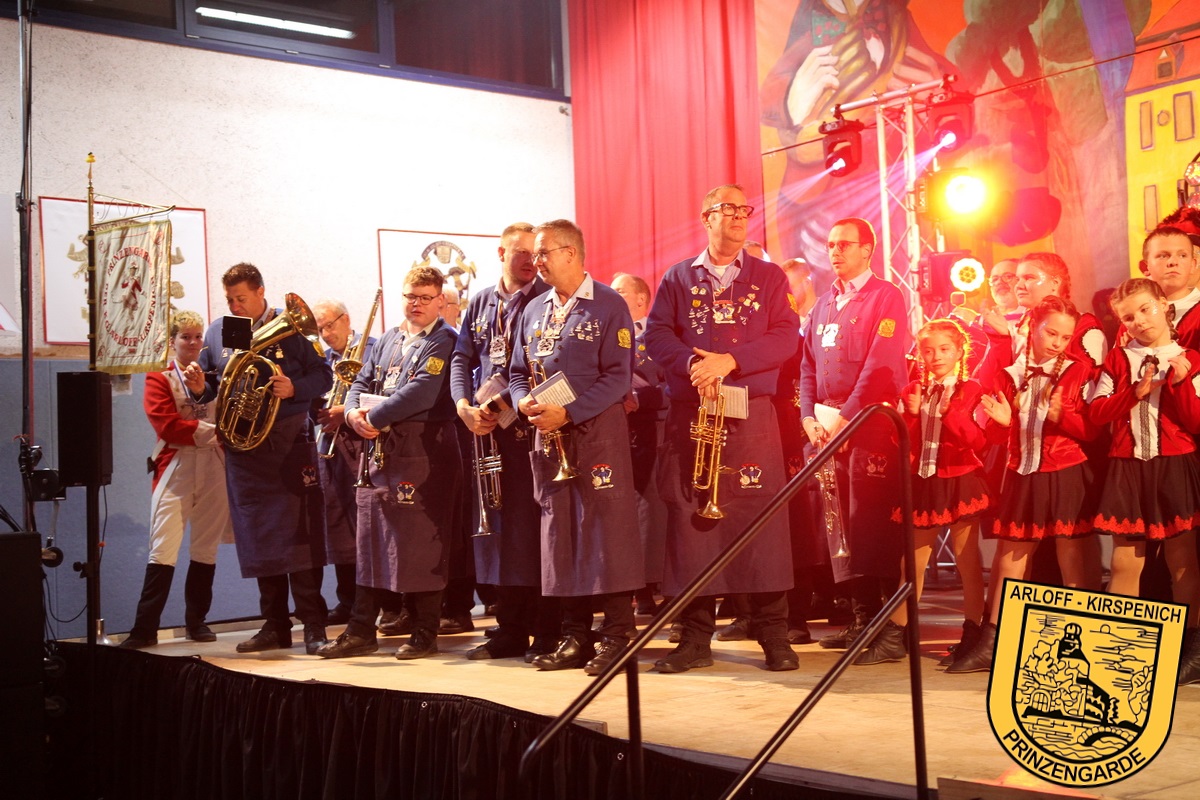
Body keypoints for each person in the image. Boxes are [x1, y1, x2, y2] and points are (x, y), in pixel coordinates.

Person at [645, 183, 799, 674]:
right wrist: (694, 364)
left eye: (743, 209)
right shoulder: (677, 277)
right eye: (726, 208)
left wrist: (730, 361)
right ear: (706, 217)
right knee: (691, 524)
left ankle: (774, 635)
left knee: (762, 521)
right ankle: (694, 639)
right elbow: (656, 335)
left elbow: (786, 336)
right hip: (693, 414)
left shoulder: (769, 276)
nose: (737, 215)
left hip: (751, 414)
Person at [508, 219, 644, 675]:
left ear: (570, 253)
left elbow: (618, 377)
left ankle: (618, 636)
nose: (535, 261)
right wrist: (522, 402)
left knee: (608, 534)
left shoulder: (608, 304)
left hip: (597, 436)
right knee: (560, 534)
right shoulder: (533, 308)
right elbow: (516, 372)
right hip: (549, 439)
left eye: (542, 252)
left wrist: (569, 413)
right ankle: (575, 636)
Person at [315, 266, 462, 660]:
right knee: (370, 543)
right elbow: (361, 382)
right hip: (378, 455)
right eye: (410, 296)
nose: (416, 304)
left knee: (422, 545)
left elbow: (422, 391)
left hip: (423, 453)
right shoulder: (389, 339)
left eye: (425, 297)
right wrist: (352, 415)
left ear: (440, 301)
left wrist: (373, 418)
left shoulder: (446, 340)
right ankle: (360, 630)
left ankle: (425, 631)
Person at [949, 296, 1099, 674]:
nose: (1057, 343)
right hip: (1022, 471)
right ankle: (994, 640)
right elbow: (993, 436)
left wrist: (1054, 416)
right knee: (1011, 556)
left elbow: (1091, 431)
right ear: (1032, 326)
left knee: (1070, 557)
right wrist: (1001, 423)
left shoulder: (1078, 371)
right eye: (1051, 333)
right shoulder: (1008, 374)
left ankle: (1079, 645)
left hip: (1065, 469)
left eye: (1065, 337)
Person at [191, 263, 333, 654]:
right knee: (259, 537)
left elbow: (325, 376)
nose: (235, 306)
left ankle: (314, 623)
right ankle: (274, 624)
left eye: (241, 298)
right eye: (229, 300)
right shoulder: (221, 330)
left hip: (288, 444)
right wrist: (201, 387)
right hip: (245, 450)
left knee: (300, 536)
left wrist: (294, 388)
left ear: (260, 292)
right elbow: (215, 383)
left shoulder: (293, 327)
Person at [798, 217, 910, 661]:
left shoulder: (886, 297)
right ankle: (861, 618)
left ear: (868, 249)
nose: (835, 251)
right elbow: (807, 367)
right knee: (839, 525)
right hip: (827, 427)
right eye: (830, 244)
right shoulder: (824, 303)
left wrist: (845, 420)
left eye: (844, 244)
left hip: (869, 426)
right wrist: (808, 417)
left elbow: (880, 364)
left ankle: (889, 628)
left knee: (871, 525)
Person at [450, 222, 555, 661]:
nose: (531, 261)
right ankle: (510, 628)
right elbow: (461, 358)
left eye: (536, 253)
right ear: (500, 253)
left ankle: (547, 630)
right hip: (489, 435)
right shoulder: (480, 301)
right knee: (502, 535)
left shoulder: (547, 299)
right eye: (521, 252)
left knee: (537, 535)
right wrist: (462, 405)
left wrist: (503, 404)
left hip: (532, 429)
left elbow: (541, 366)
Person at [1088, 278, 1200, 685]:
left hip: (1174, 463)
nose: (1139, 321)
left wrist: (1181, 383)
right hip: (1127, 466)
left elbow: (1195, 421)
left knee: (1181, 559)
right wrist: (1133, 393)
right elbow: (1096, 412)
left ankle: (1190, 649)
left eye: (1145, 309)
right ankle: (1120, 648)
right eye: (1128, 317)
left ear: (1164, 306)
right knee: (1124, 559)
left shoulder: (1190, 358)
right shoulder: (1117, 360)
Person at [878, 319, 988, 667]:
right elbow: (900, 442)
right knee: (911, 564)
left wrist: (950, 414)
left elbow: (977, 441)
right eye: (928, 350)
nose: (936, 356)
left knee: (967, 562)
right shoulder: (913, 389)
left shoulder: (972, 390)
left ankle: (973, 634)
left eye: (943, 349)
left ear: (959, 351)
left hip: (960, 480)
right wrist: (910, 416)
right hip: (924, 482)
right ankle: (896, 635)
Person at [119, 310, 232, 649]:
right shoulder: (159, 377)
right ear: (172, 341)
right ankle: (144, 628)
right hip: (176, 464)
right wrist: (217, 433)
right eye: (186, 337)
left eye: (198, 336)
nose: (193, 343)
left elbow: (230, 416)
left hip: (214, 465)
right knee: (163, 548)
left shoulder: (215, 377)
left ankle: (197, 623)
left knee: (206, 548)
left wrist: (213, 427)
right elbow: (167, 426)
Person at [312, 298, 377, 626]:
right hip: (334, 450)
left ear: (346, 319)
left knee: (368, 527)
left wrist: (345, 412)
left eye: (329, 325)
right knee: (339, 527)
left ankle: (383, 604)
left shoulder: (372, 348)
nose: (326, 334)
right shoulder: (323, 361)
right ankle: (347, 600)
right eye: (320, 329)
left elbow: (382, 393)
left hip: (364, 445)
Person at [612, 271, 668, 618]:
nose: (613, 296)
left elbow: (674, 386)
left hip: (654, 432)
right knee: (624, 514)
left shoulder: (658, 337)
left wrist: (640, 399)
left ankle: (651, 587)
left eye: (620, 291)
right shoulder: (608, 336)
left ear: (641, 300)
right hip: (615, 434)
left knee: (652, 513)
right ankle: (627, 586)